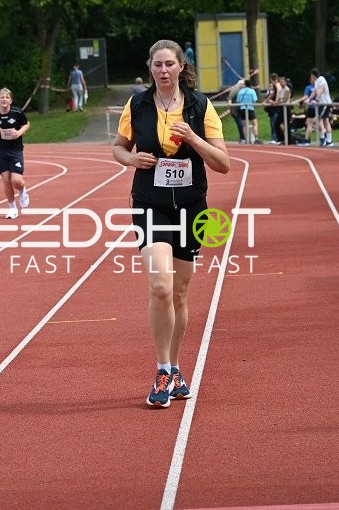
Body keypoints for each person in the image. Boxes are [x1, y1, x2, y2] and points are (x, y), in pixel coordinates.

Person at [112, 39, 230, 408]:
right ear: (150, 68)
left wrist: (193, 138)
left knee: (180, 293)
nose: (163, 71)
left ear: (181, 67)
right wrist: (131, 161)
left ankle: (176, 366)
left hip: (191, 208)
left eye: (169, 64)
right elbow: (118, 147)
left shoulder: (201, 106)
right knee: (160, 286)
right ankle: (162, 368)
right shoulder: (137, 104)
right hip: (151, 204)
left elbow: (223, 163)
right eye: (157, 65)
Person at [0, 87, 30, 220]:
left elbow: (27, 124)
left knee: (16, 181)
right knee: (6, 181)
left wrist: (19, 133)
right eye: (2, 97)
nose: (4, 99)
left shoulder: (17, 112)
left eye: (7, 97)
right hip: (1, 151)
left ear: (11, 100)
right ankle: (12, 208)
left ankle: (22, 190)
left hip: (15, 150)